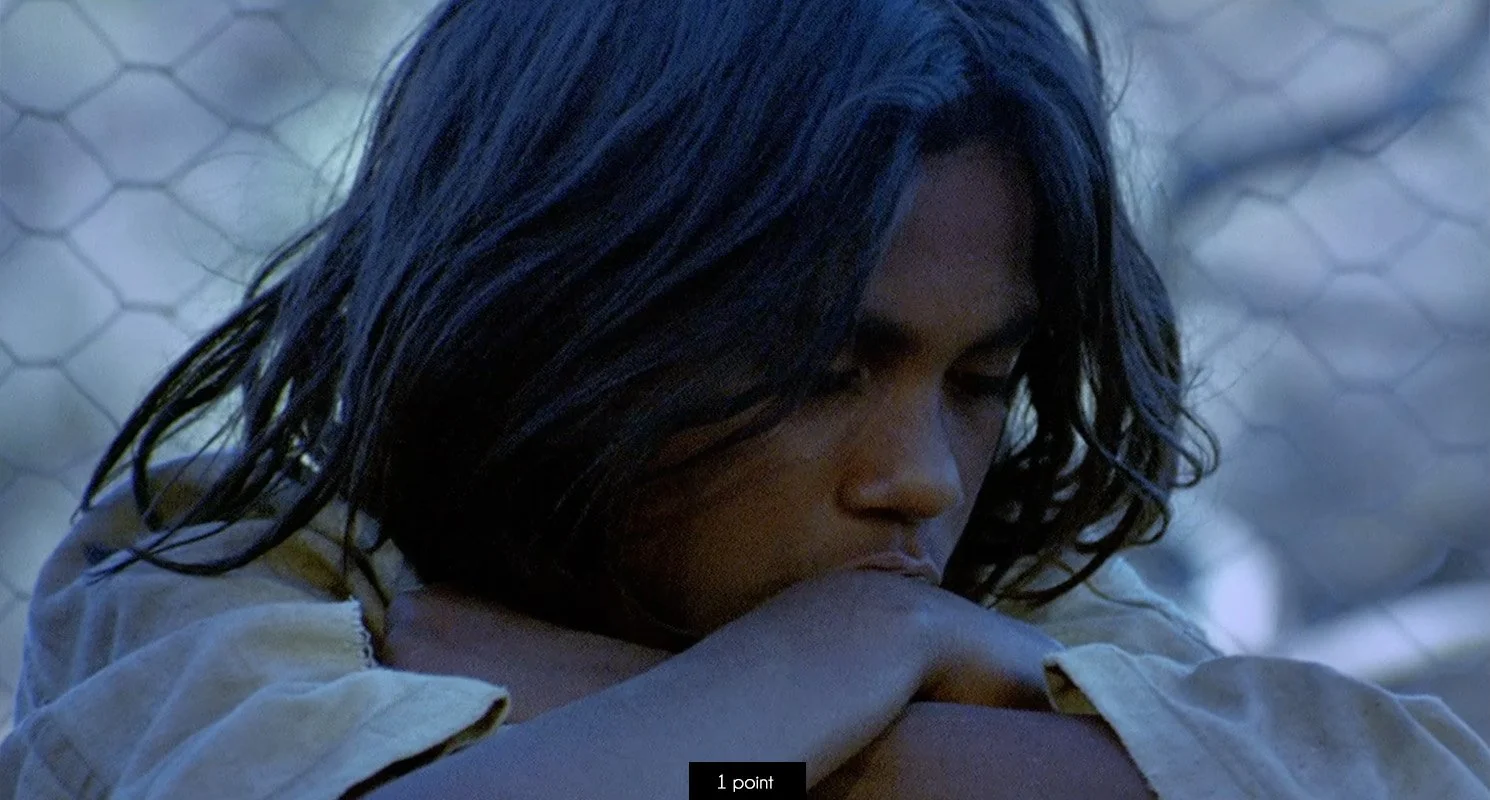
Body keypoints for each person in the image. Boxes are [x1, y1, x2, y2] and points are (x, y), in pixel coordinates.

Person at [3, 0, 1489, 797]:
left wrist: (644, 703)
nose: (919, 477)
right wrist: (874, 686)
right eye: (817, 372)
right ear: (564, 315)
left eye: (981, 383)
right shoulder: (230, 569)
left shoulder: (997, 600)